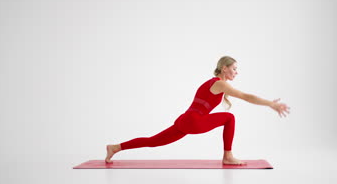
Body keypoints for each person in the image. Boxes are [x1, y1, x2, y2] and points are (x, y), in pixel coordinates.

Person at [105, 56, 290, 165]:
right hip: (193, 121)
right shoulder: (219, 84)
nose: (236, 72)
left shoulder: (212, 83)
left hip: (185, 120)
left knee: (153, 141)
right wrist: (270, 104)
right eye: (234, 69)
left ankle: (115, 147)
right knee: (229, 118)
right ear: (224, 68)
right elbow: (245, 96)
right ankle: (228, 156)